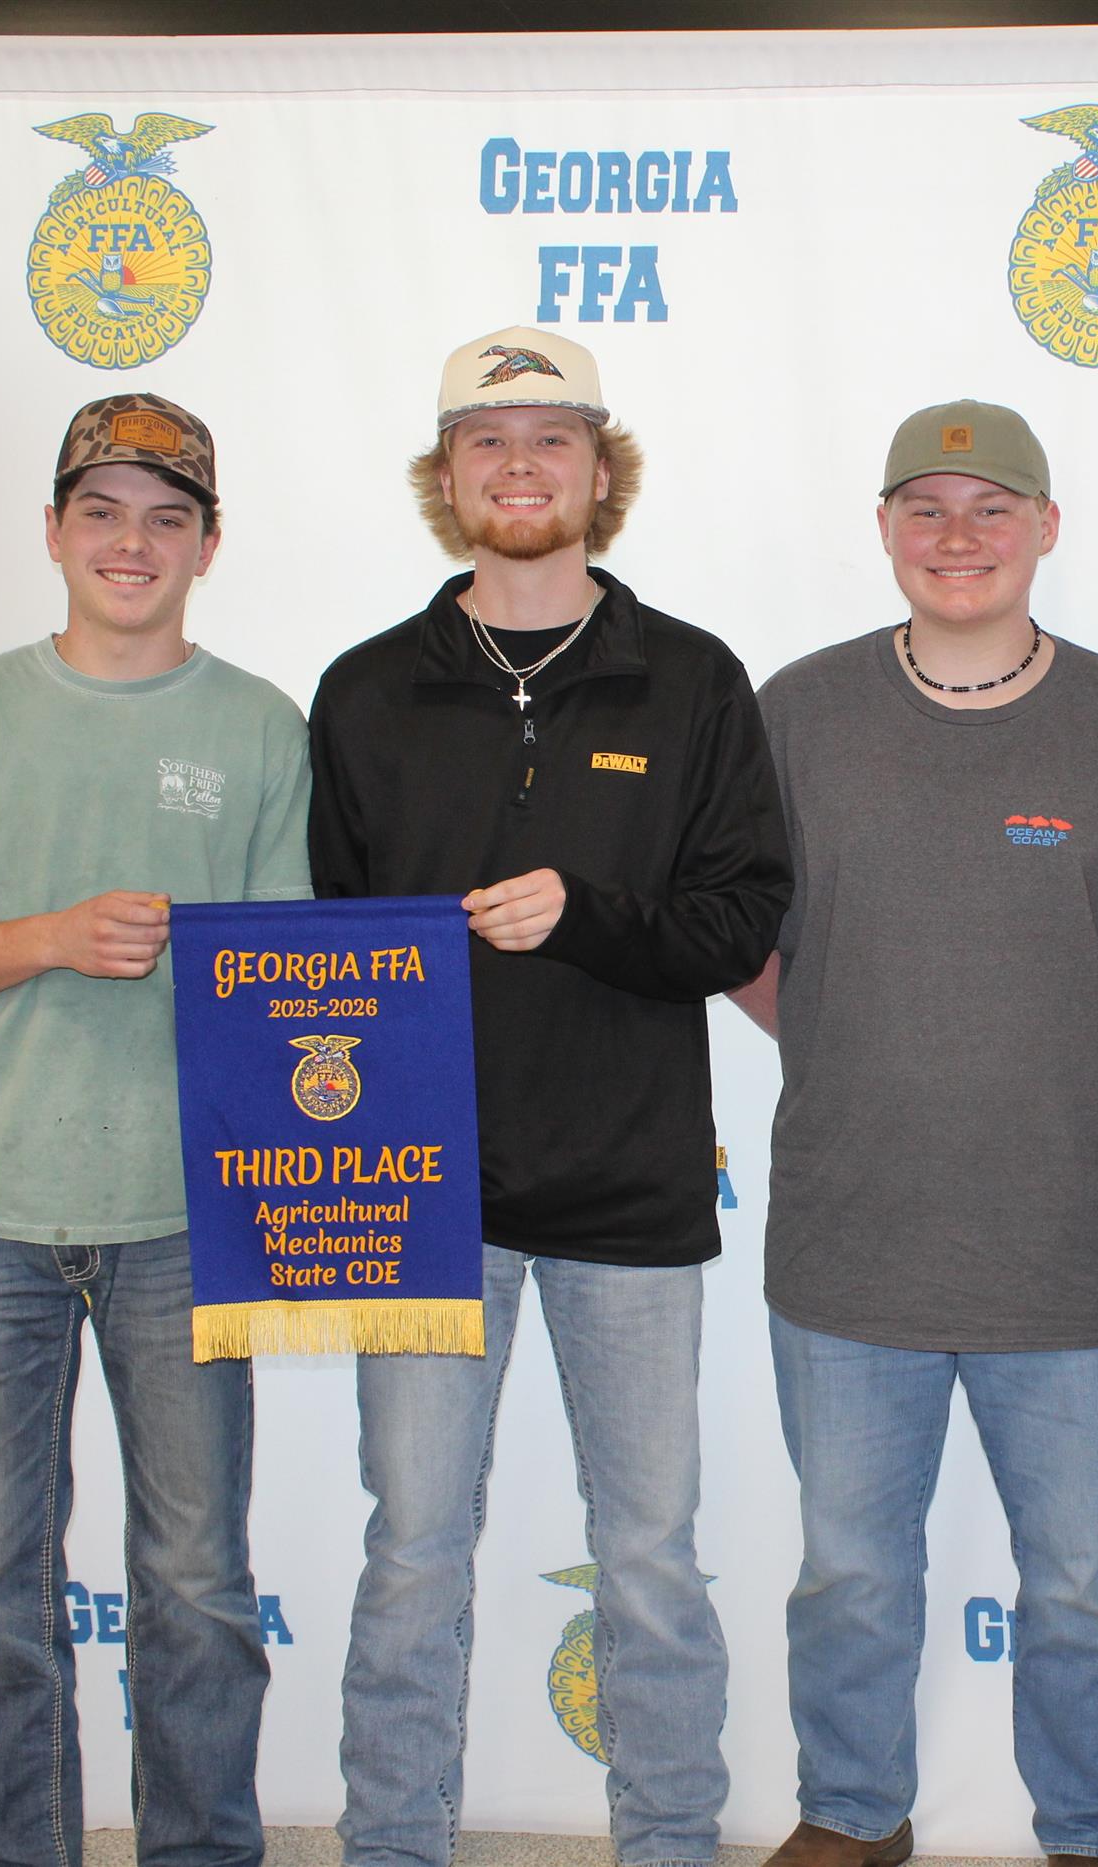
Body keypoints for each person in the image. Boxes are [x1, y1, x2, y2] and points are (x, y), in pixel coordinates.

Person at [306, 326, 789, 1867]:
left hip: (630, 1194)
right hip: (412, 1204)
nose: (520, 466)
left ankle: (670, 1844)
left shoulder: (692, 679)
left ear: (601, 468)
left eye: (552, 439)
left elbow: (740, 923)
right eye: (488, 442)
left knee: (649, 1560)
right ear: (448, 478)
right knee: (411, 1554)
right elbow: (322, 955)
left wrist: (587, 914)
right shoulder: (366, 690)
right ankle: (392, 1845)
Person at [0, 393, 305, 1865]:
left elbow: (297, 978)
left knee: (199, 1584)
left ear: (209, 547)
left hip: (188, 1218)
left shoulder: (261, 726)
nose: (133, 543)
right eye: (102, 512)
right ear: (53, 532)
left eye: (168, 518)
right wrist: (48, 936)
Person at [728, 401, 1098, 1867]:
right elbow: (743, 937)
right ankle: (853, 1818)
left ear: (1047, 528)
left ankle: (1092, 1832)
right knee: (850, 1576)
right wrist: (858, 1033)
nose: (959, 536)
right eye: (926, 507)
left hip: (1075, 1246)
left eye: (993, 509)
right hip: (851, 1238)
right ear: (883, 529)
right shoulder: (796, 713)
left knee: (1086, 1588)